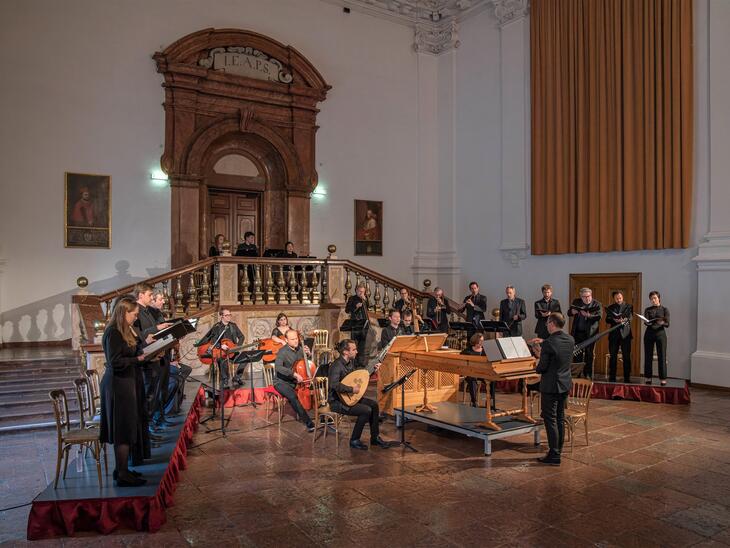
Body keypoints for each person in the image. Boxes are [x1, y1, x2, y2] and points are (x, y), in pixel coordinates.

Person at [99, 296, 153, 486]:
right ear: (123, 313)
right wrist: (137, 360)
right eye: (134, 315)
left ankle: (121, 469)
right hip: (117, 386)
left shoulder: (124, 330)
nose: (136, 318)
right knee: (122, 428)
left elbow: (128, 352)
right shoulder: (112, 332)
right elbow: (114, 362)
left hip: (127, 382)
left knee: (128, 426)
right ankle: (121, 473)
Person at [328, 339, 390, 450]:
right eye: (354, 349)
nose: (357, 352)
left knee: (374, 405)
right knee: (366, 410)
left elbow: (357, 379)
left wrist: (372, 372)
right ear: (346, 352)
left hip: (349, 397)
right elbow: (333, 384)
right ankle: (354, 440)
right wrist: (351, 389)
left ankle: (375, 438)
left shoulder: (350, 363)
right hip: (337, 401)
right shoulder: (336, 366)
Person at [533, 313, 573, 465]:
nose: (546, 325)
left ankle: (554, 455)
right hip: (564, 384)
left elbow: (542, 368)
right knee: (560, 418)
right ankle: (558, 449)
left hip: (550, 386)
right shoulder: (570, 339)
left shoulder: (549, 343)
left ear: (552, 323)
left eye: (547, 323)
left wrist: (538, 359)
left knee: (550, 420)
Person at [273, 330, 315, 432]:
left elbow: (304, 363)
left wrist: (308, 354)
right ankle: (308, 422)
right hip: (281, 382)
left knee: (316, 389)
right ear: (286, 340)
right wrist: (294, 374)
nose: (296, 341)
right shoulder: (282, 352)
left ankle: (322, 415)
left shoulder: (300, 349)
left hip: (296, 381)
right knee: (293, 396)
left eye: (296, 338)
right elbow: (278, 367)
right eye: (292, 339)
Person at [195, 309, 245, 385]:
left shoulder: (233, 326)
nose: (229, 317)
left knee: (245, 358)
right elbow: (212, 341)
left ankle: (237, 377)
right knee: (221, 358)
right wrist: (221, 345)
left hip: (232, 351)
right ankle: (225, 379)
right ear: (221, 316)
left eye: (229, 315)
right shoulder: (216, 327)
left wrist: (237, 346)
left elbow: (241, 337)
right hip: (220, 351)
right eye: (226, 315)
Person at [567, 288, 602, 379]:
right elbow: (569, 313)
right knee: (577, 353)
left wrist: (588, 315)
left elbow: (599, 316)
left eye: (588, 296)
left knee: (589, 354)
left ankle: (588, 374)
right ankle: (577, 374)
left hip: (590, 334)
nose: (587, 299)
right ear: (581, 297)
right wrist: (572, 311)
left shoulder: (596, 304)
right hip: (577, 333)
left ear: (591, 295)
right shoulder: (576, 302)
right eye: (584, 297)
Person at [460, 333, 496, 410]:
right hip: (471, 373)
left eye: (483, 341)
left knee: (492, 379)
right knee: (472, 379)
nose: (482, 342)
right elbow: (461, 360)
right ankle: (474, 402)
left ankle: (490, 402)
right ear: (475, 341)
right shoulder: (468, 351)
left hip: (482, 373)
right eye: (480, 341)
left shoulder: (485, 351)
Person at [642, 291, 670, 385]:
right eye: (651, 299)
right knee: (648, 356)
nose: (653, 300)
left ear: (659, 298)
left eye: (655, 298)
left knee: (662, 356)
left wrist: (662, 322)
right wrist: (648, 322)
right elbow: (646, 322)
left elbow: (667, 323)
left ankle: (663, 378)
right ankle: (648, 377)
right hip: (649, 334)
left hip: (660, 334)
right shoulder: (648, 309)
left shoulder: (664, 309)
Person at [605, 291, 633, 383]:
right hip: (614, 335)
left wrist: (624, 319)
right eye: (617, 298)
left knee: (626, 356)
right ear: (614, 298)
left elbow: (630, 318)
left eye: (620, 297)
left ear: (622, 297)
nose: (619, 299)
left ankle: (627, 377)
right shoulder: (610, 308)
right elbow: (607, 319)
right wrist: (614, 319)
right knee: (613, 356)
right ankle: (612, 377)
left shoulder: (628, 306)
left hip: (625, 334)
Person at [345, 284, 369, 366]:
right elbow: (347, 310)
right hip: (355, 325)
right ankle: (353, 364)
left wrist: (365, 300)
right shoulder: (352, 298)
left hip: (364, 325)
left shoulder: (365, 299)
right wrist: (356, 306)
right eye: (360, 291)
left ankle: (361, 364)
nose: (361, 293)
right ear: (356, 291)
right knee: (354, 345)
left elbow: (370, 307)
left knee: (363, 346)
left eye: (363, 292)